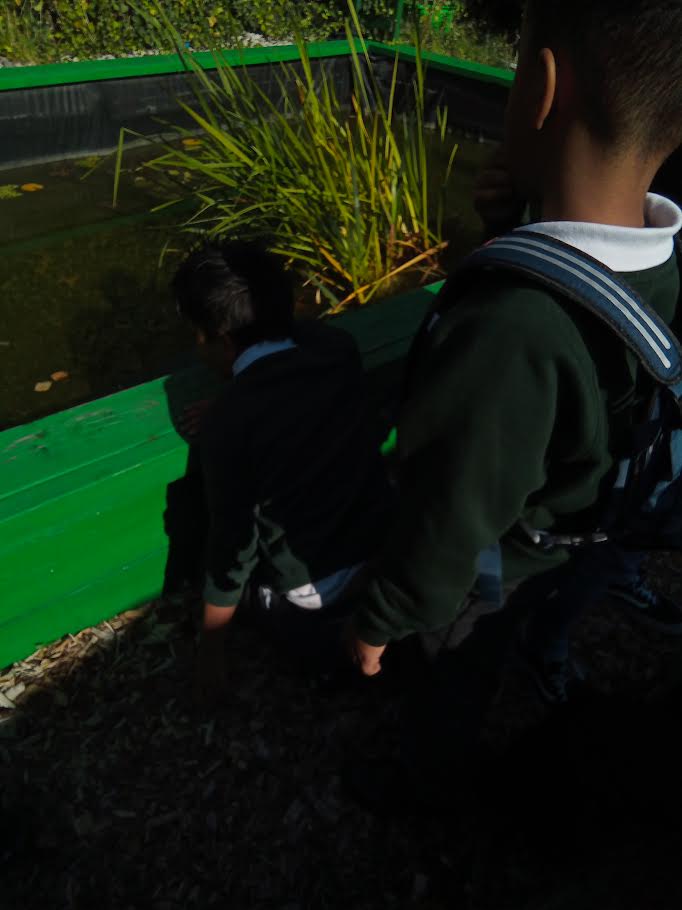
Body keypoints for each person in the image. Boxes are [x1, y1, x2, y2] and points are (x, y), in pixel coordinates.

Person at [345, 0, 682, 804]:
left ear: (540, 85)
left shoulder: (507, 328)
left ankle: (428, 783)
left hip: (496, 558)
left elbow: (450, 515)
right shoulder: (664, 261)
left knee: (455, 662)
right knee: (496, 633)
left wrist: (382, 617)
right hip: (576, 531)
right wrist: (507, 226)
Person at [172, 241, 391, 702]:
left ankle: (318, 643)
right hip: (379, 542)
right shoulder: (337, 348)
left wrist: (211, 648)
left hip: (314, 585)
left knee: (236, 577)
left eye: (197, 335)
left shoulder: (230, 422)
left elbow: (233, 546)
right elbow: (292, 359)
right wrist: (238, 389)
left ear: (221, 340)